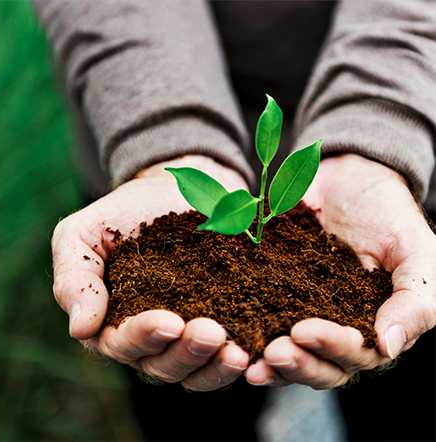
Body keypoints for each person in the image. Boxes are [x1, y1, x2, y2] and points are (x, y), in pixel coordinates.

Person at [33, 1, 436, 440]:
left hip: (408, 140)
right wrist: (166, 136)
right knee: (192, 415)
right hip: (138, 127)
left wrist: (379, 132)